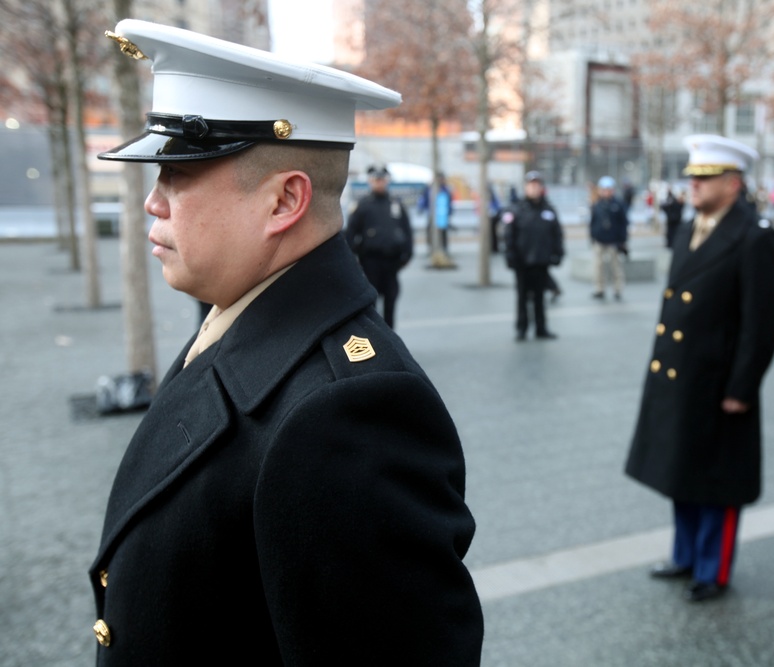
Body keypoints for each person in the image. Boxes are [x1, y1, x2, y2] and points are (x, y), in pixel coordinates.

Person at [90, 20, 483, 665]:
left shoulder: (345, 415)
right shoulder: (240, 323)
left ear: (283, 202)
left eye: (177, 177)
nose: (152, 205)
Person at [625, 134, 774, 603]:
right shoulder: (692, 227)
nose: (693, 185)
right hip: (682, 378)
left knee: (716, 481)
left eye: (705, 177)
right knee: (682, 472)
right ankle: (685, 555)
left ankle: (712, 569)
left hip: (720, 385)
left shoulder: (754, 237)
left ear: (733, 183)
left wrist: (742, 385)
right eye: (692, 176)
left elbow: (762, 322)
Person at [345, 164, 414, 328]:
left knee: (391, 300)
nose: (379, 183)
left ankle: (391, 338)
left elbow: (406, 230)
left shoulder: (395, 204)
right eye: (376, 179)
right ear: (370, 181)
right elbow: (351, 233)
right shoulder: (363, 205)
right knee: (371, 303)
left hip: (392, 262)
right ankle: (376, 339)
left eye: (382, 179)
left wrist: (407, 254)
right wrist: (354, 256)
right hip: (370, 261)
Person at [502, 171, 563, 341]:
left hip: (541, 261)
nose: (534, 188)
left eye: (537, 185)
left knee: (539, 297)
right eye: (531, 185)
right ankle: (522, 328)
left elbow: (557, 233)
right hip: (522, 262)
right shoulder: (517, 209)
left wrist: (558, 253)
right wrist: (510, 256)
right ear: (526, 187)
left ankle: (541, 328)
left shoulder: (548, 209)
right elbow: (509, 235)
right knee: (522, 298)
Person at [590, 175, 629, 300]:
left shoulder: (618, 204)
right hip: (600, 240)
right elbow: (593, 222)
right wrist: (592, 236)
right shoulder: (597, 204)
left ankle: (618, 289)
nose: (606, 192)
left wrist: (622, 241)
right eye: (603, 189)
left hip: (614, 241)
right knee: (598, 267)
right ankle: (599, 289)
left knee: (616, 267)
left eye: (608, 189)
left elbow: (624, 223)